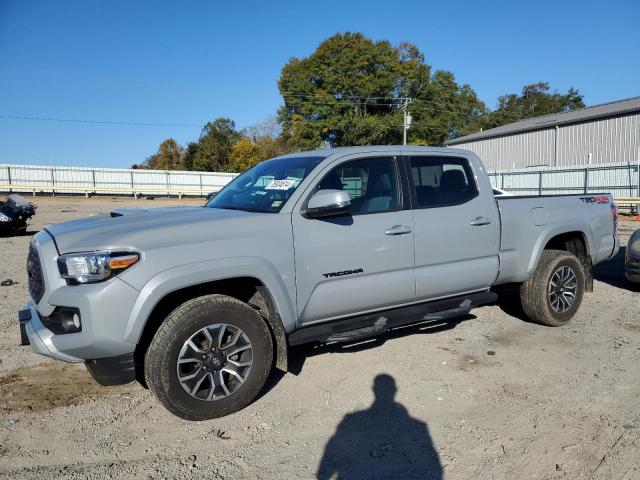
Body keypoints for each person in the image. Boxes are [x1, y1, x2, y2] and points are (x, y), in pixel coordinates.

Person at [317, 374, 443, 480]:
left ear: (373, 389)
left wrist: (322, 475)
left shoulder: (352, 420)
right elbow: (435, 466)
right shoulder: (419, 426)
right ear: (395, 390)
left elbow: (332, 446)